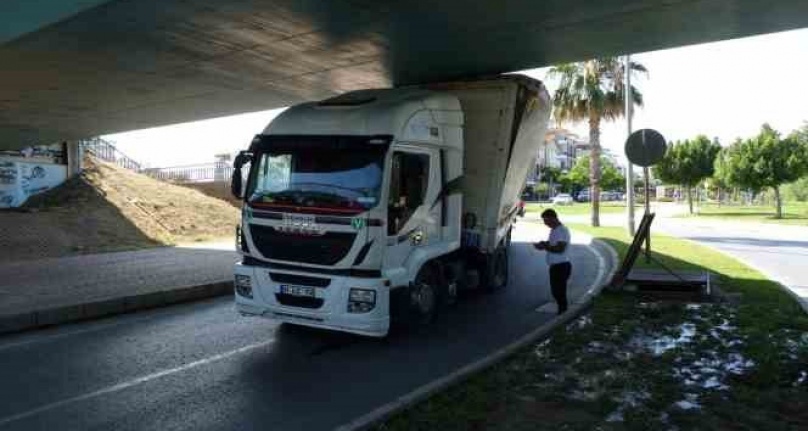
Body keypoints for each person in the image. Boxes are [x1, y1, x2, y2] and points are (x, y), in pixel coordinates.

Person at [534, 208, 572, 315]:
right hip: (555, 266)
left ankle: (563, 313)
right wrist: (543, 244)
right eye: (544, 221)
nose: (545, 224)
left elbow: (560, 249)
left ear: (553, 218)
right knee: (556, 291)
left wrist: (545, 246)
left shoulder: (562, 230)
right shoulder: (554, 230)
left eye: (547, 221)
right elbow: (553, 244)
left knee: (559, 292)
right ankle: (562, 310)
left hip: (561, 266)